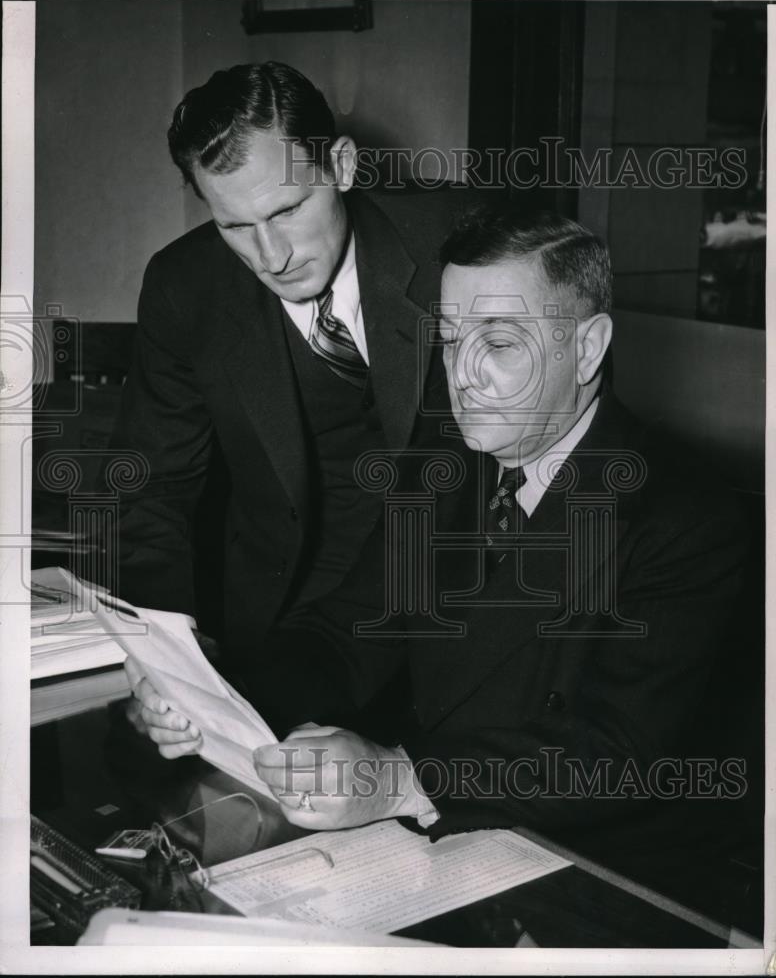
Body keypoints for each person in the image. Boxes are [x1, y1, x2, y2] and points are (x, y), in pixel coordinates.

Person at [128, 208, 746, 840]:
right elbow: (346, 634)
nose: (463, 377)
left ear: (586, 348)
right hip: (440, 839)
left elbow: (614, 758)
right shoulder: (442, 463)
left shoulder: (688, 517)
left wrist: (400, 778)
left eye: (501, 343)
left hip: (593, 869)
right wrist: (213, 697)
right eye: (451, 340)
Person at [108, 60, 466, 663]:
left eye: (287, 211)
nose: (272, 257)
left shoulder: (456, 248)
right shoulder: (184, 288)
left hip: (457, 604)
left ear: (343, 167)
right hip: (281, 624)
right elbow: (152, 489)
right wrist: (168, 654)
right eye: (235, 226)